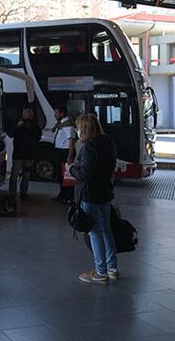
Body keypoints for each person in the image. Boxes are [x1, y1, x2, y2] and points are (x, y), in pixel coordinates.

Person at [70, 114, 118, 285]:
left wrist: (72, 169)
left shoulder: (89, 147)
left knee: (94, 232)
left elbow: (85, 174)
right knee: (106, 229)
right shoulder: (108, 143)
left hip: (91, 194)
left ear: (84, 129)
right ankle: (112, 268)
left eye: (78, 128)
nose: (76, 131)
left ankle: (100, 272)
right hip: (105, 192)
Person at [8, 108, 42, 199]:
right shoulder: (18, 123)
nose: (27, 116)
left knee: (26, 175)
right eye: (25, 114)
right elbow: (10, 134)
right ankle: (12, 192)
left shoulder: (34, 125)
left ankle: (23, 192)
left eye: (28, 114)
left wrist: (32, 129)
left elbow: (38, 136)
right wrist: (18, 127)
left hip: (29, 154)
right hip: (18, 154)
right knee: (14, 174)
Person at [52, 106, 77, 204]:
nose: (55, 114)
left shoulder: (68, 125)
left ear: (62, 114)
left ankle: (68, 197)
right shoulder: (61, 124)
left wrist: (70, 156)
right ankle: (62, 195)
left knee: (67, 176)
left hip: (65, 152)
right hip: (61, 151)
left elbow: (71, 141)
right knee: (61, 175)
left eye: (56, 112)